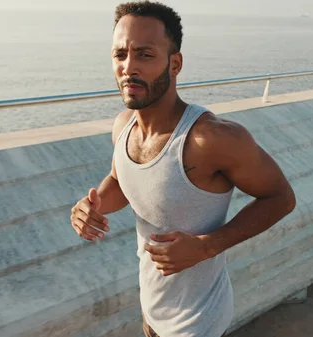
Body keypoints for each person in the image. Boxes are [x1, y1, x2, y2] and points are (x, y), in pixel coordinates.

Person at [70, 1, 296, 336]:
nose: (129, 67)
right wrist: (92, 206)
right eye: (120, 54)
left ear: (174, 64)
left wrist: (207, 246)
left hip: (198, 319)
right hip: (153, 305)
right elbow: (123, 181)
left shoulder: (211, 138)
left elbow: (280, 197)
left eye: (145, 55)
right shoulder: (123, 127)